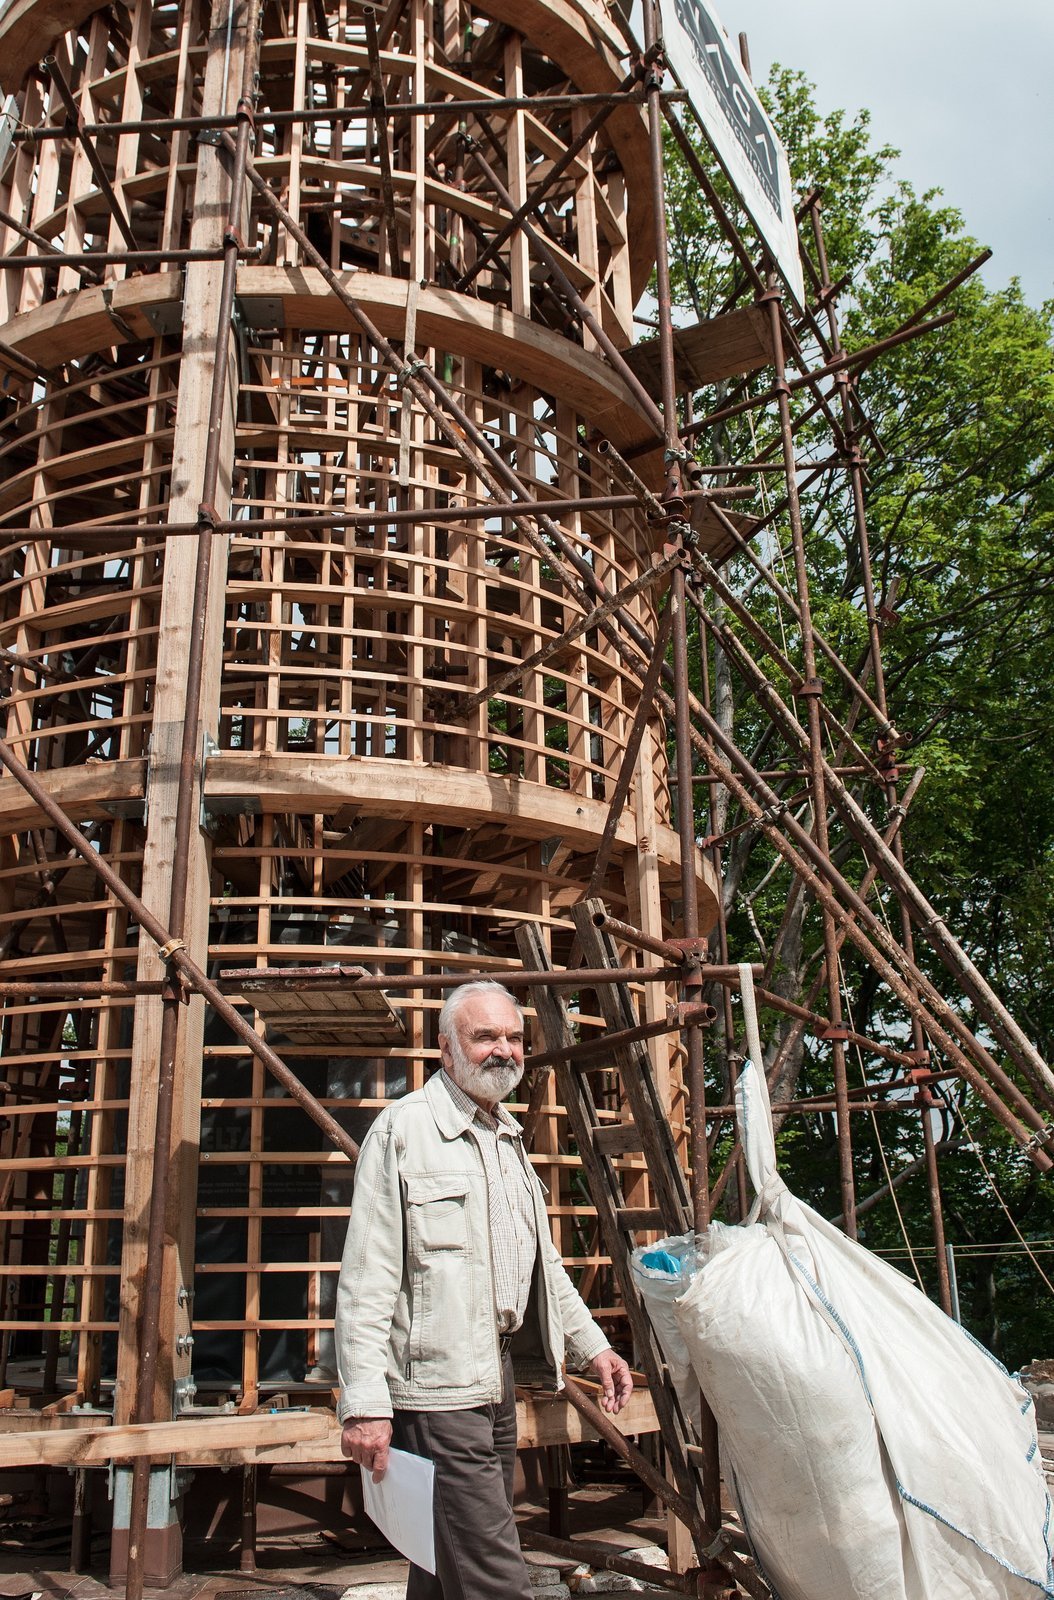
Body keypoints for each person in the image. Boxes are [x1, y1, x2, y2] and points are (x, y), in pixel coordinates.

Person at [336, 979, 634, 1600]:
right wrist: (364, 1403)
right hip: (434, 1387)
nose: (503, 1050)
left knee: (445, 1557)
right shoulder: (405, 1131)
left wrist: (594, 1348)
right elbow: (368, 1279)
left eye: (513, 1037)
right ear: (445, 1048)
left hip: (492, 1376)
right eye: (484, 1037)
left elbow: (541, 1266)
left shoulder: (509, 1139)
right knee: (494, 1568)